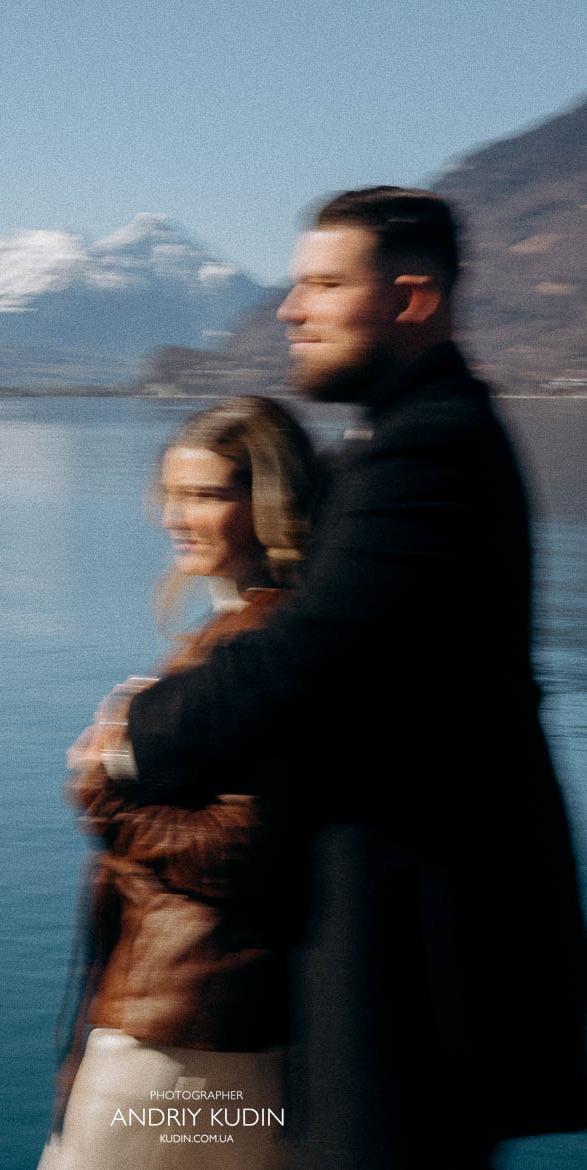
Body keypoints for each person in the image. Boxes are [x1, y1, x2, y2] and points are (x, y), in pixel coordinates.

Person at [91, 188, 587, 1169]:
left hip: (414, 952)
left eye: (323, 283)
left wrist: (133, 737)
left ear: (409, 300)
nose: (289, 307)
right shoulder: (400, 441)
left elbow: (311, 649)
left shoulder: (429, 448)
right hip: (397, 943)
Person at [38, 396, 319, 1170]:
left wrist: (104, 794)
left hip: (180, 1042)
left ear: (267, 503)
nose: (176, 516)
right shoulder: (238, 631)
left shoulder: (264, 641)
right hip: (193, 1025)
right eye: (172, 493)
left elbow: (246, 846)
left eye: (205, 495)